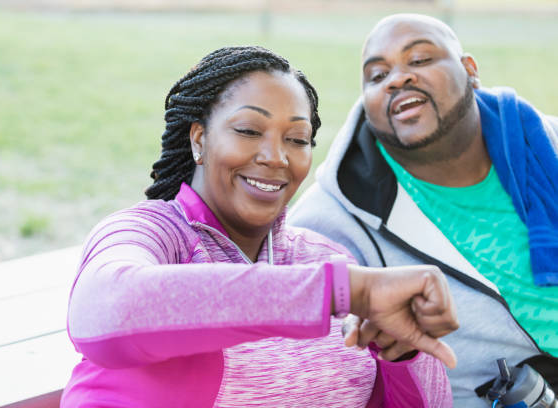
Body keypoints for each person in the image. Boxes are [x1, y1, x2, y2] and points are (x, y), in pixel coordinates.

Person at [60, 46, 459, 407]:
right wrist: (343, 290)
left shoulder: (325, 257)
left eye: (297, 139)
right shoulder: (152, 233)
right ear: (199, 139)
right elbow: (107, 311)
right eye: (249, 131)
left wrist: (403, 352)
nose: (276, 157)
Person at [289, 13, 558, 407]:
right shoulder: (331, 219)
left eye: (419, 60)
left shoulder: (544, 143)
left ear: (470, 70)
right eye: (377, 75)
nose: (397, 79)